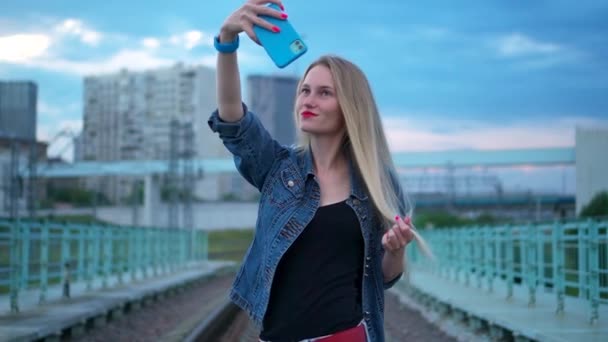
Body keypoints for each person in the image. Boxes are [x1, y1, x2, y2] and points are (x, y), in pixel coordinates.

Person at [209, 1, 431, 341]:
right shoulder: (278, 168)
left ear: (349, 108)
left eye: (324, 93)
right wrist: (227, 40)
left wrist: (395, 250)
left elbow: (385, 277)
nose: (308, 101)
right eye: (305, 91)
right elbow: (232, 120)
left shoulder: (378, 181)